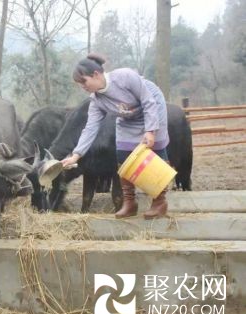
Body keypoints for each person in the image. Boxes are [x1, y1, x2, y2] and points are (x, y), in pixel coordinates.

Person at [61, 54, 169, 219]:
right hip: (128, 116)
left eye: (84, 81)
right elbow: (90, 128)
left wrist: (150, 130)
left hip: (151, 105)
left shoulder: (125, 77)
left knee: (154, 151)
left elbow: (148, 101)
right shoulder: (97, 100)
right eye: (79, 84)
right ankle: (129, 202)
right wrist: (76, 156)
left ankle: (159, 202)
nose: (82, 86)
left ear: (96, 74)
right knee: (123, 153)